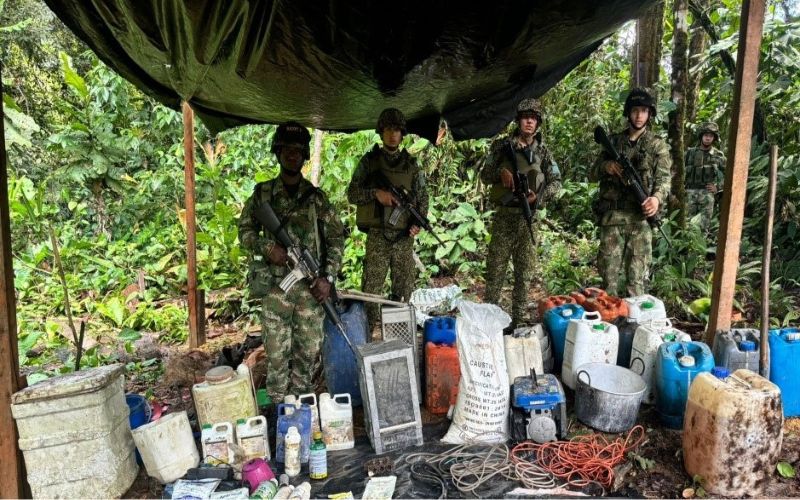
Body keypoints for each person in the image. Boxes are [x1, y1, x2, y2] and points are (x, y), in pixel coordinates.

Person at [238, 121, 344, 403]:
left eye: (298, 150)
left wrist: (328, 277)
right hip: (276, 291)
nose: (292, 155)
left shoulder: (317, 199)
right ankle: (276, 411)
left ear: (305, 155)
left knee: (307, 356)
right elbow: (245, 231)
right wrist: (267, 246)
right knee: (276, 356)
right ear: (277, 152)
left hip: (311, 293)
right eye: (286, 149)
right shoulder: (263, 194)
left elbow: (336, 239)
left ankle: (301, 411)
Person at [481, 98, 561, 330]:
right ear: (518, 121)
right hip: (505, 217)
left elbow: (556, 182)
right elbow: (484, 175)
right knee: (495, 271)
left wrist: (540, 197)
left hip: (528, 219)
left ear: (538, 123)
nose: (529, 122)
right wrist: (501, 173)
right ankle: (489, 321)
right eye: (525, 117)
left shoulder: (543, 152)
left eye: (533, 118)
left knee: (523, 274)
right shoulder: (501, 146)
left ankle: (518, 321)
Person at [347, 108, 429, 335]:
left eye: (397, 130)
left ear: (403, 134)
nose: (393, 134)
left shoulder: (411, 165)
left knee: (404, 288)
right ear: (381, 132)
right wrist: (376, 194)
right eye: (388, 129)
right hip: (378, 236)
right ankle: (369, 332)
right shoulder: (369, 162)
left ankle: (399, 332)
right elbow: (352, 193)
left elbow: (422, 199)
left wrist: (417, 224)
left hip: (403, 237)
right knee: (371, 289)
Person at [589, 88, 671, 297]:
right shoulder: (614, 142)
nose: (639, 115)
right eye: (635, 110)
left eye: (644, 111)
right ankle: (610, 324)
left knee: (637, 283)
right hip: (613, 219)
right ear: (628, 112)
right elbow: (592, 173)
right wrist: (607, 166)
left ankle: (635, 325)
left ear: (649, 114)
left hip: (640, 220)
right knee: (609, 281)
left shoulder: (656, 145)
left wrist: (656, 198)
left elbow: (663, 179)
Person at [685, 121, 726, 233]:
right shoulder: (689, 153)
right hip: (689, 193)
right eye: (706, 135)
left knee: (703, 228)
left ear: (714, 138)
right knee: (687, 226)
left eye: (711, 136)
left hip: (707, 195)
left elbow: (730, 174)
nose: (708, 138)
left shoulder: (718, 155)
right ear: (701, 136)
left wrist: (718, 187)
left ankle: (700, 250)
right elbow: (676, 171)